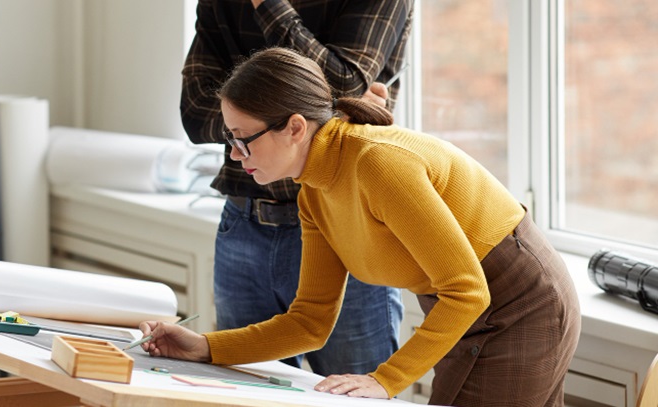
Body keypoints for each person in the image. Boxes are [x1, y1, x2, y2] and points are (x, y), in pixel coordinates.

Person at [145, 47, 581, 405]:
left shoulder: (377, 164)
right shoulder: (313, 189)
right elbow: (310, 321)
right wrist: (205, 347)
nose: (235, 155)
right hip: (468, 304)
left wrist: (385, 379)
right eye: (230, 140)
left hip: (521, 301)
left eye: (243, 138)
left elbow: (467, 290)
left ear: (295, 127)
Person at [181, 0, 413, 375]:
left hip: (345, 222)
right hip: (245, 224)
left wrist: (268, 5)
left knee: (353, 394)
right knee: (242, 393)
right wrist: (331, 109)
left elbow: (346, 85)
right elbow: (194, 114)